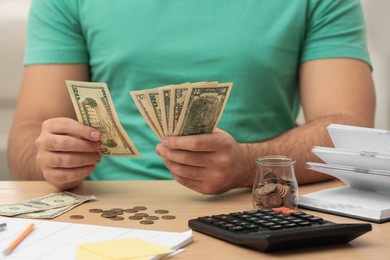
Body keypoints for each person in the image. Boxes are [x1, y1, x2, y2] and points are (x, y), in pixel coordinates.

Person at [8, 0, 375, 194]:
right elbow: (27, 135)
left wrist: (248, 165)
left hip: (259, 202)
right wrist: (50, 159)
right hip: (108, 210)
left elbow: (351, 132)